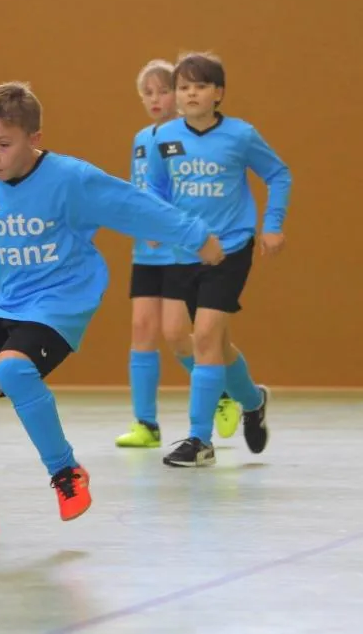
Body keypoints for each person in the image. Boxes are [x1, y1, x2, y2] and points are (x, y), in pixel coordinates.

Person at [0, 81, 224, 543]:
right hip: (8, 305)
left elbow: (134, 206)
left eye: (3, 144)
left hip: (62, 302)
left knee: (13, 368)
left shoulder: (71, 179)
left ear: (34, 138)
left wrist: (195, 235)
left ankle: (66, 471)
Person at [144, 51, 291, 467]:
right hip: (183, 249)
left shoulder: (241, 135)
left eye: (200, 86)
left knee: (207, 336)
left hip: (230, 248)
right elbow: (155, 187)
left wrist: (272, 225)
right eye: (183, 87)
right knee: (190, 339)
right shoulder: (164, 138)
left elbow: (278, 174)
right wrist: (154, 222)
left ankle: (199, 440)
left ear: (218, 93)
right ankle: (252, 400)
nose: (191, 94)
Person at [117, 59, 243, 449]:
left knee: (177, 335)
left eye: (163, 91)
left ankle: (221, 393)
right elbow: (141, 190)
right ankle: (146, 423)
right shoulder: (143, 139)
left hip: (179, 250)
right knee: (141, 329)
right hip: (146, 251)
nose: (156, 99)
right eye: (147, 93)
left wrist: (169, 227)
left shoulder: (190, 140)